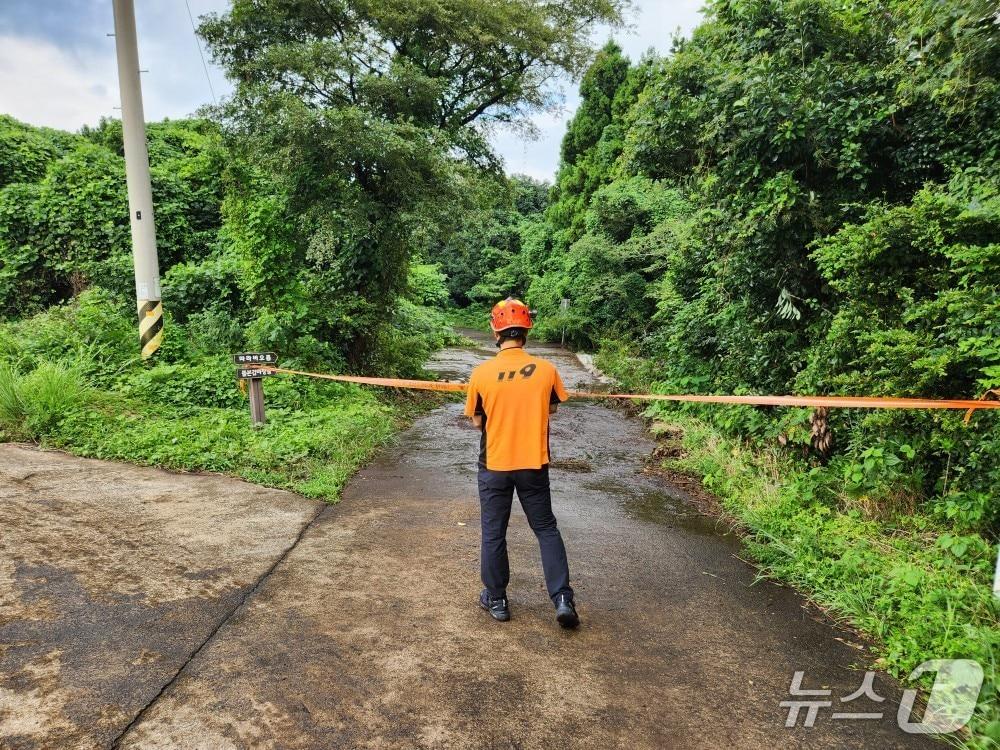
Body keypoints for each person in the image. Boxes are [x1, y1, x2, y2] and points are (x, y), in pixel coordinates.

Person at [464, 297, 579, 628]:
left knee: (493, 531)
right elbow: (552, 408)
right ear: (527, 330)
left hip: (495, 464)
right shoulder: (547, 370)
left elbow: (476, 422)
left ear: (495, 331)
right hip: (533, 463)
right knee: (545, 528)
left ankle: (497, 600)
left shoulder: (481, 373)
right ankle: (562, 598)